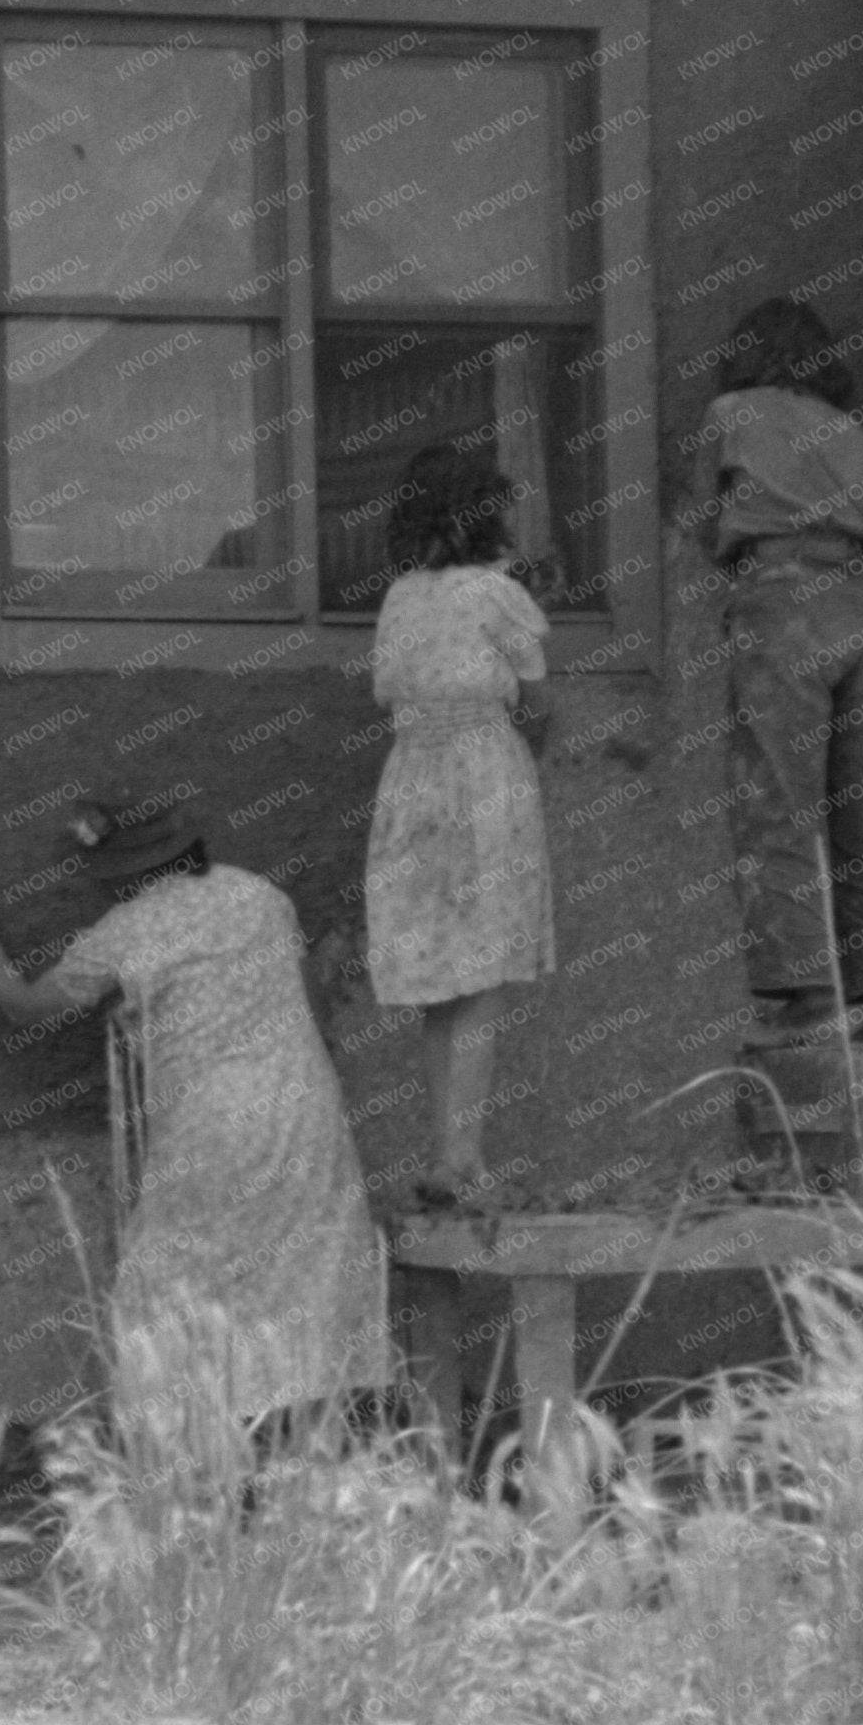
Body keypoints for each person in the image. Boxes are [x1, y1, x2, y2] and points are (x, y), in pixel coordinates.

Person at [0, 797, 388, 1436]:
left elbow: (27, 1009)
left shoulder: (127, 929)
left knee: (166, 1284)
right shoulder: (260, 897)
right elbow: (309, 1008)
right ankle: (310, 1450)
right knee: (309, 1268)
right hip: (303, 1106)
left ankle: (198, 1453)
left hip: (209, 1123)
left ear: (116, 876)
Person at [697, 296, 863, 1044]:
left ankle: (807, 996)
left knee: (779, 800)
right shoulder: (851, 430)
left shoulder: (731, 411)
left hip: (785, 603)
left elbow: (709, 521)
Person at [362, 441, 557, 1211]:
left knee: (442, 980)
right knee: (481, 972)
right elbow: (537, 695)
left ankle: (446, 1151)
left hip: (411, 779)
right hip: (482, 775)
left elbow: (389, 688)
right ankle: (463, 1157)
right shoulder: (495, 592)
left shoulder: (402, 596)